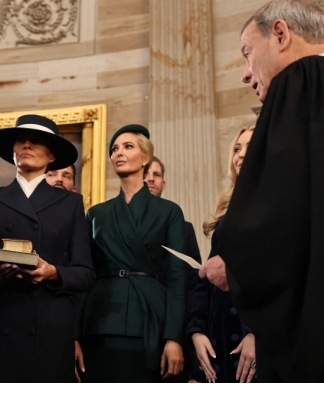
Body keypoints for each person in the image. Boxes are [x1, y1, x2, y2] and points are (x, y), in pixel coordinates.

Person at [199, 0, 324, 382]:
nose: (244, 72)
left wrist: (237, 265)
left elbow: (285, 202)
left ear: (281, 34)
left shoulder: (303, 81)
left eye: (247, 53)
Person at [0, 114, 95, 383]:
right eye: (21, 140)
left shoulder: (70, 204)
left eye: (37, 141)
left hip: (47, 327)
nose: (27, 146)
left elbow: (85, 273)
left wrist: (52, 272)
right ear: (12, 152)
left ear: (52, 156)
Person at [75, 125, 189, 382]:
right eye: (114, 149)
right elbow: (84, 277)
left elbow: (178, 279)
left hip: (149, 319)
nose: (118, 153)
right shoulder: (95, 214)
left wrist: (174, 336)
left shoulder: (169, 212)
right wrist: (74, 335)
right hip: (100, 321)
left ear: (146, 158)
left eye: (128, 147)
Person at [188, 127, 256, 384]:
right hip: (220, 337)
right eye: (237, 149)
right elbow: (207, 276)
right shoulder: (230, 207)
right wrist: (197, 331)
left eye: (249, 146)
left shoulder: (280, 203)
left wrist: (257, 333)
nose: (240, 155)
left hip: (255, 339)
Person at [144, 156, 202, 382]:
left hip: (175, 332)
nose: (151, 178)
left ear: (163, 184)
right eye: (147, 173)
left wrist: (177, 335)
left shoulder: (184, 229)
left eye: (156, 174)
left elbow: (193, 286)